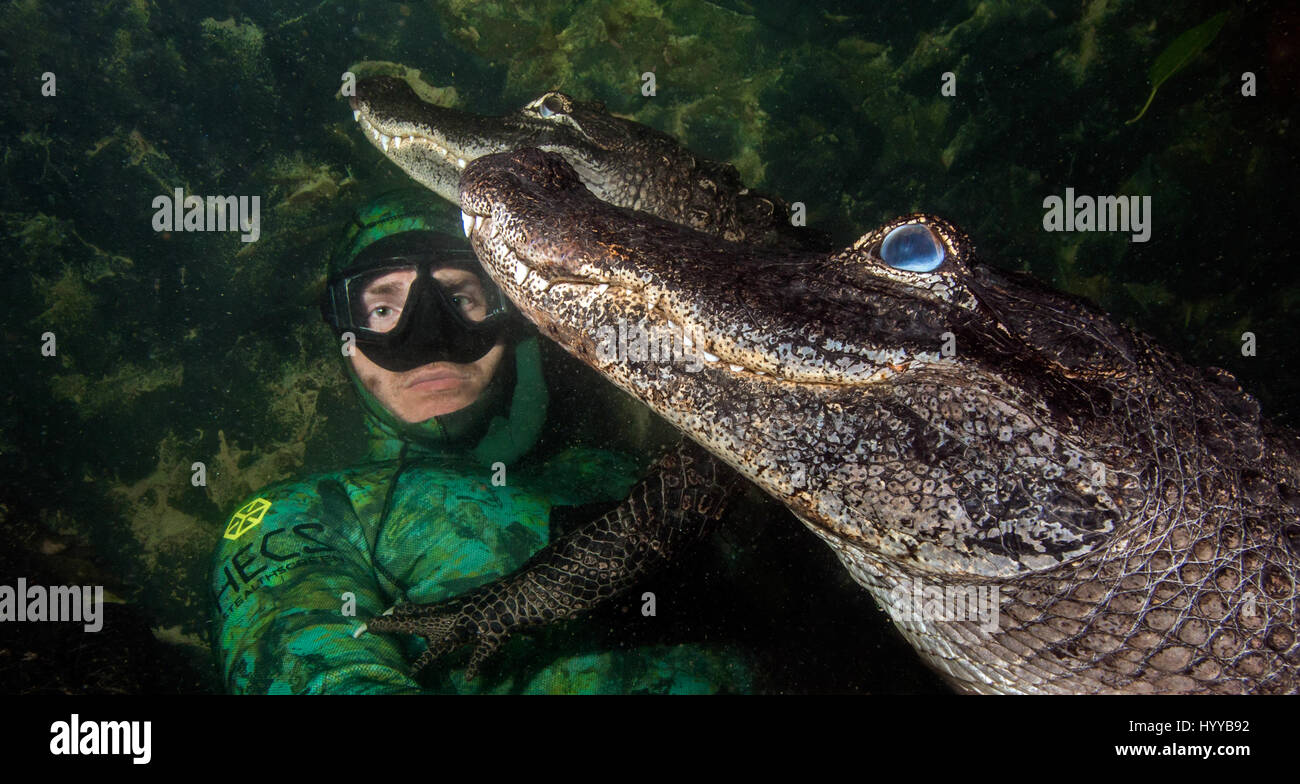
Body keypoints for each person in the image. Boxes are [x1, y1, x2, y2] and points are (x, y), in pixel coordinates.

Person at [209, 190, 751, 694]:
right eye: (382, 309)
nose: (429, 337)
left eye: (462, 298)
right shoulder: (305, 517)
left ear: (515, 315)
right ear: (345, 342)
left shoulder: (638, 470)